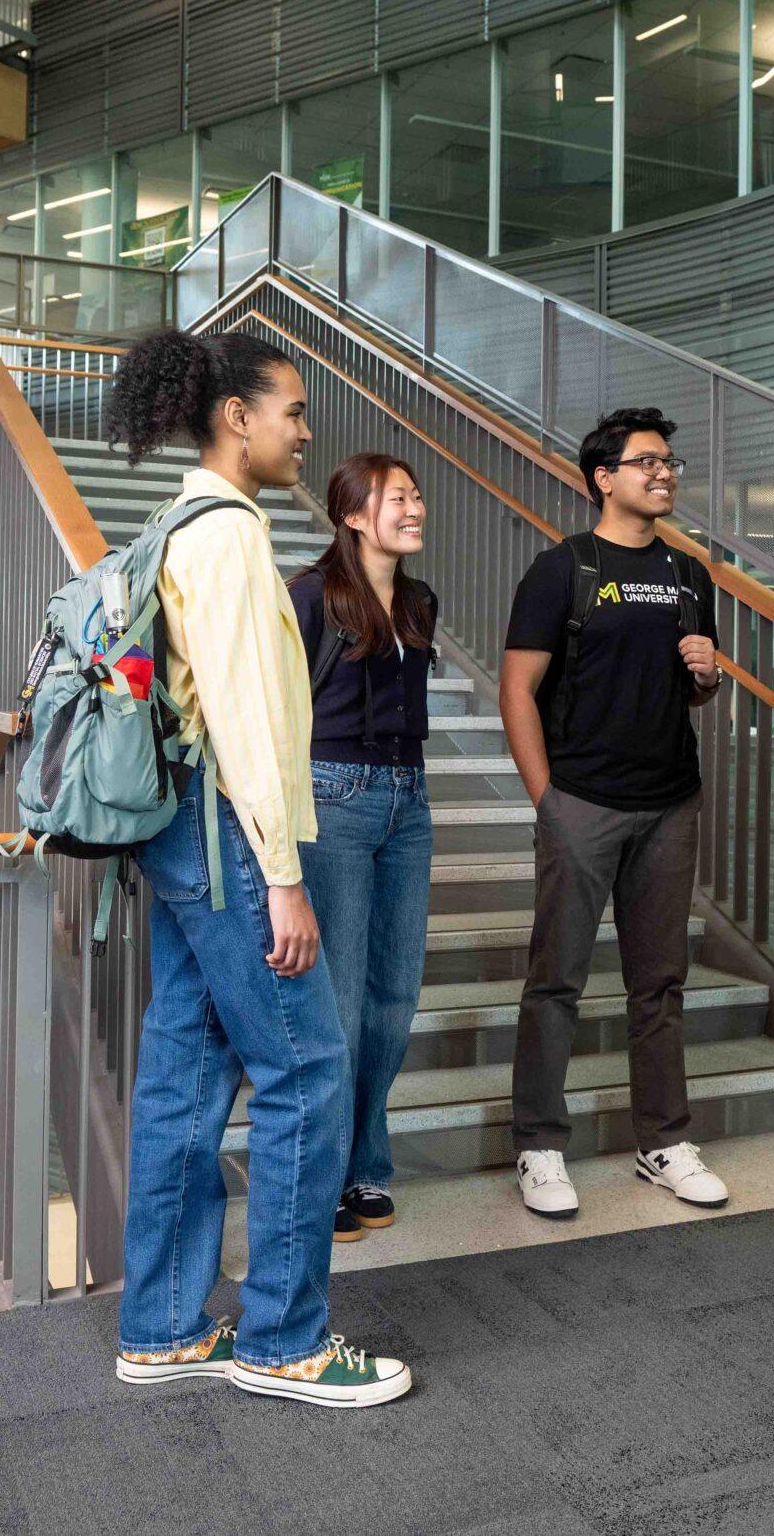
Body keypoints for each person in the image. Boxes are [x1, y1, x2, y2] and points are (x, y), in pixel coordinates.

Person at [104, 329, 413, 1411]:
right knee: (308, 1070)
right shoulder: (230, 534)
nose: (304, 431)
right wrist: (282, 873)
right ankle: (283, 1340)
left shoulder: (177, 520)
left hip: (181, 833)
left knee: (183, 1079)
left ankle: (163, 1327)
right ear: (237, 417)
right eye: (292, 410)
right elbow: (244, 716)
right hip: (230, 834)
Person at [499, 406, 726, 1220]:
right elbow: (518, 689)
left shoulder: (690, 574)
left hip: (669, 803)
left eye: (669, 463)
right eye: (646, 462)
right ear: (603, 478)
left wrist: (708, 673)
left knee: (659, 983)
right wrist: (548, 802)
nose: (664, 474)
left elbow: (689, 689)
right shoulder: (562, 569)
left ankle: (662, 1140)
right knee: (556, 980)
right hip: (583, 802)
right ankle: (538, 1144)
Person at [290, 454, 437, 1246]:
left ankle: (365, 1161)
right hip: (334, 798)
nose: (414, 508)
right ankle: (324, 1174)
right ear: (352, 514)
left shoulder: (418, 601)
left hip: (408, 800)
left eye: (415, 495)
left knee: (394, 997)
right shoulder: (312, 596)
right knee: (340, 1004)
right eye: (396, 498)